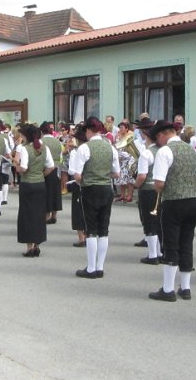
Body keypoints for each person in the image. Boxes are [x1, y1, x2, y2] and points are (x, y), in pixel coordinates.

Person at [146, 120, 196, 301]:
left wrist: (157, 186)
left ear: (162, 135)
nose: (157, 142)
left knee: (170, 244)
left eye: (157, 138)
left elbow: (160, 184)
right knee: (187, 243)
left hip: (173, 203)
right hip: (193, 201)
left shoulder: (165, 151)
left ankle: (168, 289)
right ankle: (185, 288)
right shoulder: (192, 150)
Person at [74, 117, 120, 278]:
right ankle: (100, 267)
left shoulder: (85, 148)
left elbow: (77, 175)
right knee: (103, 229)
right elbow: (117, 173)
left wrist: (88, 177)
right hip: (107, 189)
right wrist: (103, 174)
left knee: (91, 230)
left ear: (88, 130)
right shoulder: (110, 148)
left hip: (90, 189)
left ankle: (91, 268)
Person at [13, 124, 55, 257]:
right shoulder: (44, 148)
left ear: (26, 136)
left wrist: (16, 165)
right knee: (39, 214)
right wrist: (42, 175)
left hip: (28, 184)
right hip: (40, 184)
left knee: (27, 214)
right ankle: (37, 244)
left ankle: (29, 246)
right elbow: (51, 166)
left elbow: (24, 168)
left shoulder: (25, 149)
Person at [134, 118, 161, 263]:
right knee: (159, 222)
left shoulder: (146, 153)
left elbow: (142, 175)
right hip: (161, 188)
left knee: (149, 221)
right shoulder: (163, 150)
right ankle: (160, 252)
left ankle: (152, 255)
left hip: (148, 189)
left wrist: (135, 184)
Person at [66, 123, 88, 247]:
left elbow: (72, 171)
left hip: (79, 183)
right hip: (90, 184)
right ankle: (88, 234)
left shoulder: (76, 152)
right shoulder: (90, 150)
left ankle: (81, 238)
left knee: (78, 211)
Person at [40, 122, 63, 223]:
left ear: (41, 131)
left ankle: (47, 215)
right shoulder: (57, 141)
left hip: (46, 169)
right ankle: (54, 215)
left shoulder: (41, 142)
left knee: (47, 193)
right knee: (56, 192)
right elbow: (61, 155)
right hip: (57, 168)